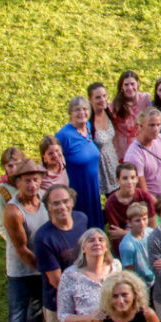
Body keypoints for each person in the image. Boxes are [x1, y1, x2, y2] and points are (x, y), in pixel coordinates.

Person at [34, 186, 89, 322]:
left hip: (84, 288)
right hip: (58, 297)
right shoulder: (44, 238)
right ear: (47, 207)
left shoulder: (82, 220)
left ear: (72, 202)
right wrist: (76, 298)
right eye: (55, 203)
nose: (62, 207)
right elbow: (55, 279)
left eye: (65, 201)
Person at [0, 159, 49, 322]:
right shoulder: (13, 210)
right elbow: (21, 249)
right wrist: (47, 270)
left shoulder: (46, 199)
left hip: (42, 269)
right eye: (27, 179)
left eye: (36, 178)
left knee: (38, 315)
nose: (32, 183)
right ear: (17, 182)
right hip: (21, 272)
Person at [56, 97, 106, 233]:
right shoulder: (64, 136)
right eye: (77, 110)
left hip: (93, 189)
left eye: (85, 109)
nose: (81, 113)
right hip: (77, 190)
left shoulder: (88, 128)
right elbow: (55, 162)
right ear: (70, 113)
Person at [103, 162, 158, 251]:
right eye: (125, 178)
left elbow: (152, 228)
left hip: (146, 244)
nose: (129, 182)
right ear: (118, 180)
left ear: (137, 179)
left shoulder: (144, 196)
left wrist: (125, 233)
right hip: (124, 247)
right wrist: (134, 232)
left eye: (132, 178)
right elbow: (116, 234)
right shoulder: (111, 203)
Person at [122, 108, 161, 203]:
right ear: (141, 126)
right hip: (151, 205)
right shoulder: (134, 155)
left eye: (158, 125)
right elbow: (143, 192)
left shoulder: (160, 139)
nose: (156, 129)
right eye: (151, 125)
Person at [85, 82, 121, 207]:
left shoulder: (108, 112)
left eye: (104, 96)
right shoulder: (88, 121)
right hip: (99, 167)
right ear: (90, 100)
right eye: (98, 97)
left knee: (118, 200)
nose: (102, 100)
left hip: (113, 163)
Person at [109, 70, 150, 160]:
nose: (130, 88)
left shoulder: (146, 99)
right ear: (121, 87)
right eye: (126, 85)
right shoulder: (114, 106)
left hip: (142, 147)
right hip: (123, 150)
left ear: (138, 84)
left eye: (132, 84)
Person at [118, 200, 157, 289]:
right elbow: (129, 272)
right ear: (129, 223)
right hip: (140, 283)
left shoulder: (151, 233)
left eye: (144, 219)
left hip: (154, 277)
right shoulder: (127, 245)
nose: (142, 223)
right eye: (137, 220)